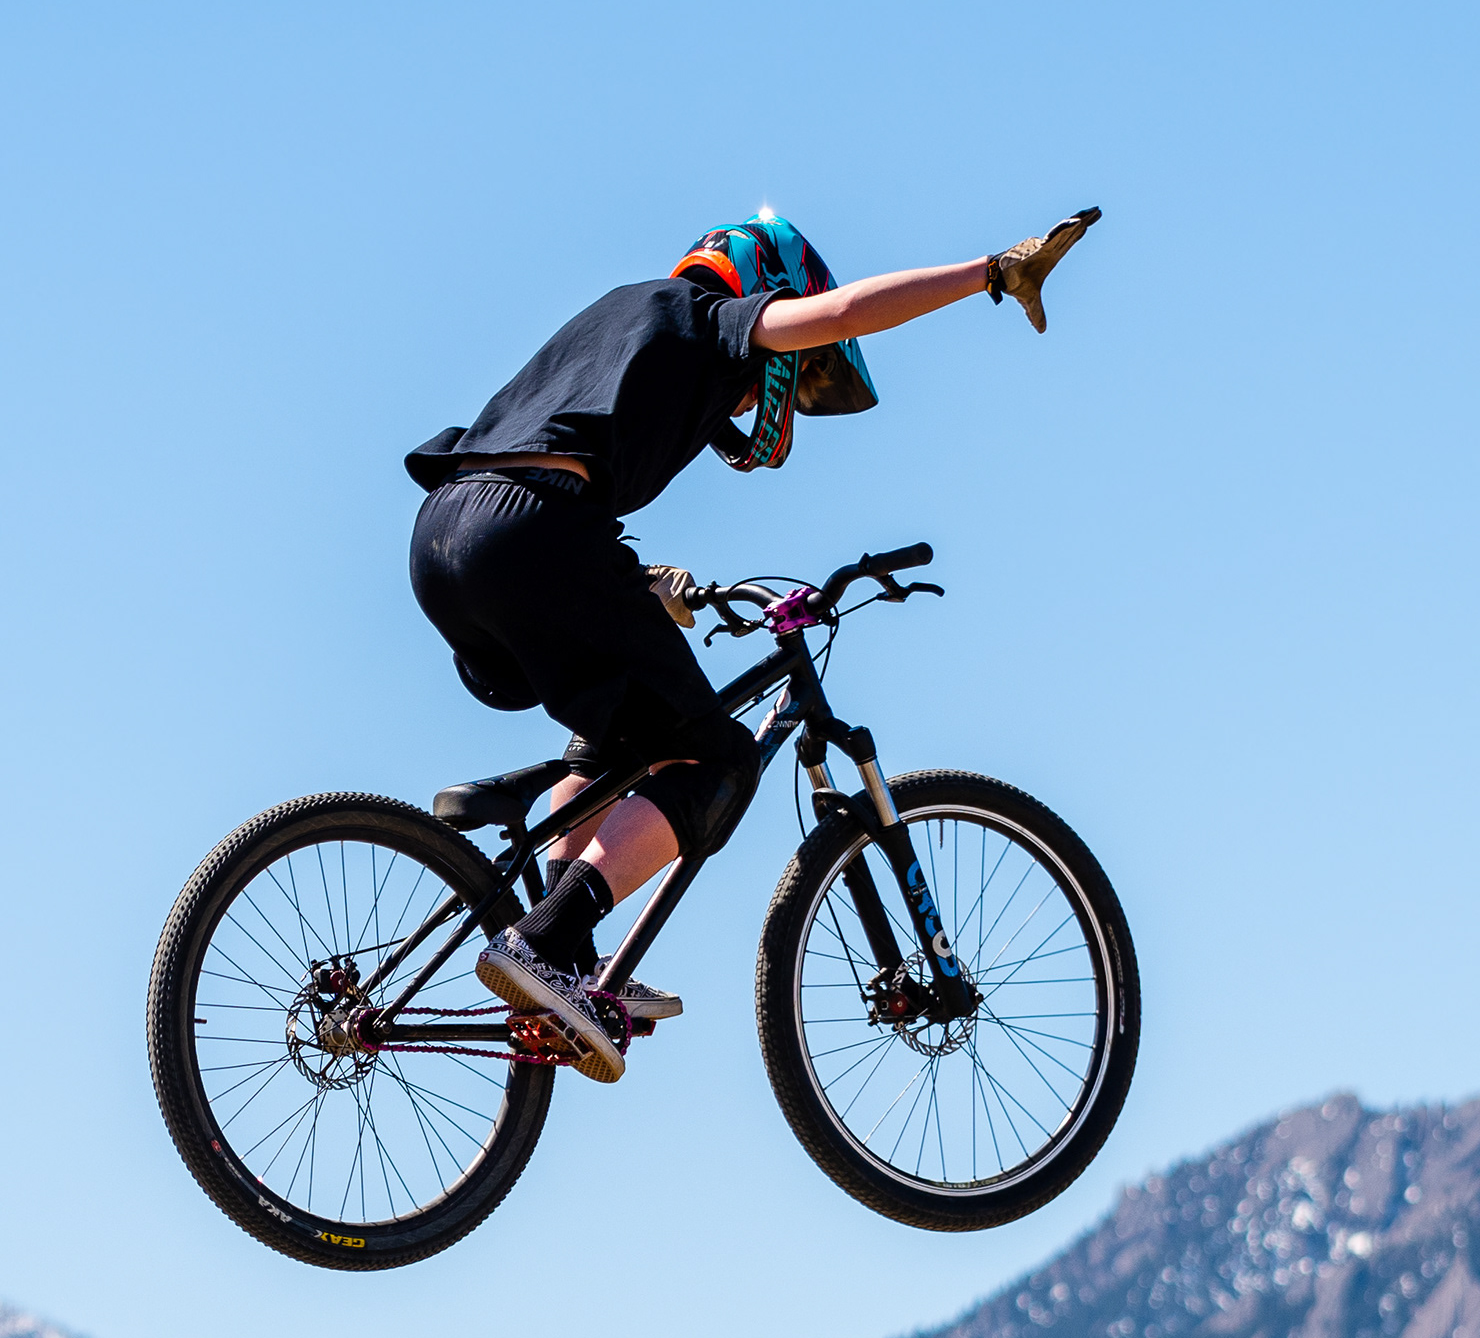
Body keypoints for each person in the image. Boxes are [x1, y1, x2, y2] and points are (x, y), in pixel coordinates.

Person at [406, 206, 1101, 1083]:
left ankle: (565, 964)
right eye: (791, 371)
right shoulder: (712, 318)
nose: (754, 397)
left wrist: (638, 582)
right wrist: (991, 271)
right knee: (720, 761)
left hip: (445, 534)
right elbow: (843, 313)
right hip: (533, 533)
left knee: (619, 728)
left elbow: (549, 455)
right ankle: (546, 938)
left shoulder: (620, 317)